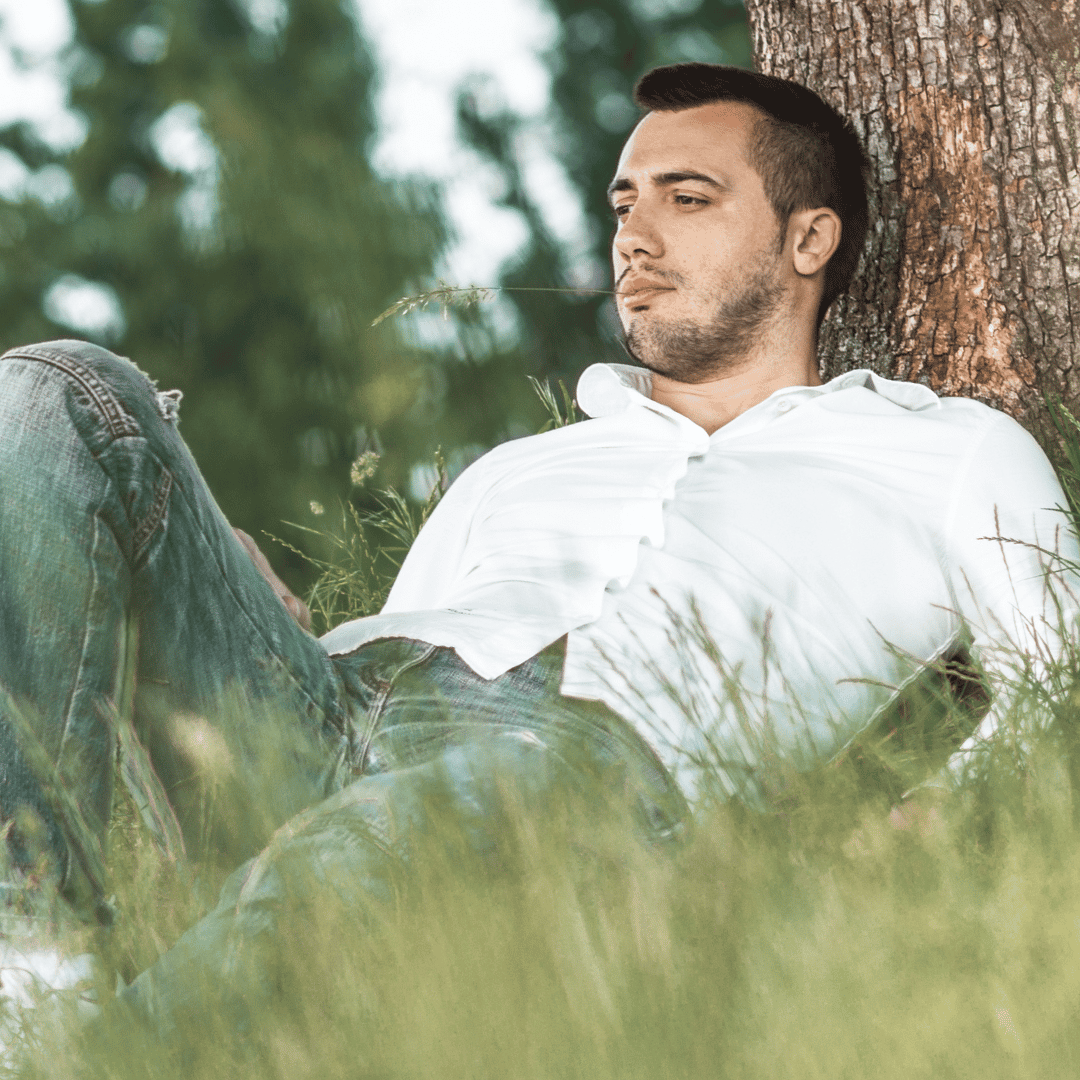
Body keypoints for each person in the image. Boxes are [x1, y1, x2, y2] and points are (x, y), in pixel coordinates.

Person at [0, 62, 1074, 1049]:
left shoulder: (944, 448)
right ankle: (34, 969)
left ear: (809, 240)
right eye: (624, 205)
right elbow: (376, 700)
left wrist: (920, 822)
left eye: (686, 199)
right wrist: (272, 628)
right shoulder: (521, 467)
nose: (634, 238)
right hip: (346, 711)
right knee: (61, 392)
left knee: (398, 825)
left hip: (600, 777)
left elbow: (1059, 684)